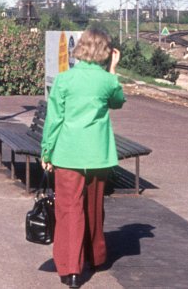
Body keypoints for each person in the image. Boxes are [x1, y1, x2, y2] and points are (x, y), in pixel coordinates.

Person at [40, 27, 125, 288]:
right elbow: (118, 102)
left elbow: (54, 119)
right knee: (94, 208)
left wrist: (47, 150)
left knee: (69, 210)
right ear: (105, 51)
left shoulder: (65, 80)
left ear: (81, 48)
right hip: (98, 155)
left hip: (67, 153)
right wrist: (112, 69)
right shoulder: (107, 81)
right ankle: (96, 257)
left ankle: (71, 269)